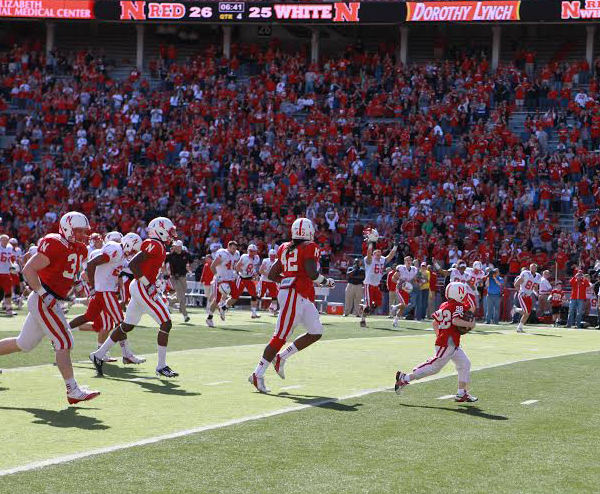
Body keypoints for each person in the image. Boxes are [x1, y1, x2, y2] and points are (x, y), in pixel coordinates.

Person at [0, 211, 100, 404]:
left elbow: (69, 273)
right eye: (78, 231)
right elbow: (29, 269)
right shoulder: (55, 243)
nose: (82, 235)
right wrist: (43, 294)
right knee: (64, 341)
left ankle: (73, 389)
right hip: (42, 298)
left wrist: (80, 286)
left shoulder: (80, 249)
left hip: (51, 299)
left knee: (24, 344)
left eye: (84, 232)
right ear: (67, 228)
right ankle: (73, 390)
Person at [249, 218, 334, 393]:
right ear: (309, 232)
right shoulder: (310, 246)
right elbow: (312, 273)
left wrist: (288, 280)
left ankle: (281, 357)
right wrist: (326, 282)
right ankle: (257, 374)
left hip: (298, 294)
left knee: (316, 331)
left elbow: (272, 275)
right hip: (294, 294)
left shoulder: (284, 247)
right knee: (280, 336)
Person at [90, 217, 179, 378]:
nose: (172, 234)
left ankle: (98, 354)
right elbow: (133, 265)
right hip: (142, 287)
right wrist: (148, 284)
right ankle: (161, 366)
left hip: (140, 286)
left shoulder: (158, 245)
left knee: (127, 326)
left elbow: (145, 266)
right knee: (166, 323)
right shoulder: (154, 244)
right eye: (169, 231)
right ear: (160, 230)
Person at [69, 231, 145, 365]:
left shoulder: (121, 255)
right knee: (121, 323)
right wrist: (92, 286)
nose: (133, 253)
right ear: (128, 244)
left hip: (102, 291)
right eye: (133, 250)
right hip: (105, 292)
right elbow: (91, 264)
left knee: (89, 316)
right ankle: (126, 354)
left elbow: (132, 269)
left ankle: (63, 330)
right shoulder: (115, 250)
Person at [394, 282, 478, 402]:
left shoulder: (444, 305)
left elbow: (435, 323)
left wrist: (440, 335)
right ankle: (405, 378)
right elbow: (455, 321)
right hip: (448, 343)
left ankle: (461, 393)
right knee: (434, 367)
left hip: (448, 342)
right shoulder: (458, 306)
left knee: (465, 364)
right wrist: (470, 324)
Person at [360, 241, 397, 328]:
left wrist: (395, 246)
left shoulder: (382, 260)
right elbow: (369, 254)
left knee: (378, 303)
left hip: (376, 286)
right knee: (368, 305)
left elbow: (390, 256)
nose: (379, 255)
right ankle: (363, 319)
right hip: (368, 285)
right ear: (373, 254)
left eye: (380, 253)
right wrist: (370, 245)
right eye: (377, 253)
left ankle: (365, 308)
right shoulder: (369, 259)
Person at [206, 240, 240, 327]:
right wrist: (217, 276)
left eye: (235, 248)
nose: (234, 250)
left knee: (235, 296)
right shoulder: (222, 253)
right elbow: (212, 266)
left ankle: (223, 308)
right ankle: (209, 318)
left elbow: (234, 266)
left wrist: (236, 272)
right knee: (217, 299)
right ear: (228, 247)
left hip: (230, 278)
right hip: (221, 279)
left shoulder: (236, 254)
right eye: (232, 248)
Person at [166, 240, 191, 322]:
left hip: (183, 277)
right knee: (182, 297)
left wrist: (189, 269)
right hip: (174, 278)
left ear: (180, 247)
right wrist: (166, 272)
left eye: (177, 246)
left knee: (181, 295)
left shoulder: (186, 254)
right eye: (175, 246)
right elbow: (163, 263)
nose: (175, 247)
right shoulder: (170, 255)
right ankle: (185, 315)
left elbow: (191, 262)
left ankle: (170, 302)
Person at [513, 263, 541, 333]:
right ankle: (516, 310)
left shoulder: (538, 276)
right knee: (526, 312)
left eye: (534, 268)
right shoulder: (525, 273)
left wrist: (536, 293)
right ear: (529, 268)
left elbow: (535, 287)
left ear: (536, 269)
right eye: (532, 267)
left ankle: (520, 327)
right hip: (522, 295)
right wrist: (520, 291)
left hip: (529, 295)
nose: (533, 269)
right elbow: (516, 284)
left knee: (528, 313)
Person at [235, 244, 261, 319]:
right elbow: (237, 267)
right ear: (248, 251)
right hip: (242, 278)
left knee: (254, 295)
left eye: (253, 251)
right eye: (250, 251)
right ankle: (224, 306)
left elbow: (253, 267)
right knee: (235, 295)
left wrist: (255, 274)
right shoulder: (244, 257)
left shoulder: (257, 258)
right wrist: (243, 271)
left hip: (249, 278)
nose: (252, 253)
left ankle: (253, 313)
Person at [391, 256, 417, 327]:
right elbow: (393, 278)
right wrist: (400, 283)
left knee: (403, 307)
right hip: (400, 288)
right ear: (404, 262)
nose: (408, 262)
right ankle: (395, 307)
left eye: (409, 260)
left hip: (407, 289)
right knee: (404, 304)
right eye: (407, 260)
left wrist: (419, 282)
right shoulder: (401, 268)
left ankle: (395, 321)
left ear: (412, 261)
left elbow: (415, 280)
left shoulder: (414, 269)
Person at [258, 249, 279, 315]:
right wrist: (269, 275)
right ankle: (254, 308)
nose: (272, 257)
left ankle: (273, 309)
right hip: (264, 280)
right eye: (271, 255)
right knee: (260, 294)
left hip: (272, 281)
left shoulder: (277, 261)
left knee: (274, 296)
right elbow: (261, 271)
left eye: (273, 255)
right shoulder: (266, 261)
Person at [0, 234, 15, 316]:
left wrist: (12, 265)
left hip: (6, 273)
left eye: (7, 240)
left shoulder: (10, 247)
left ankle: (8, 309)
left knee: (8, 292)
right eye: (4, 240)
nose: (5, 241)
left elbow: (9, 259)